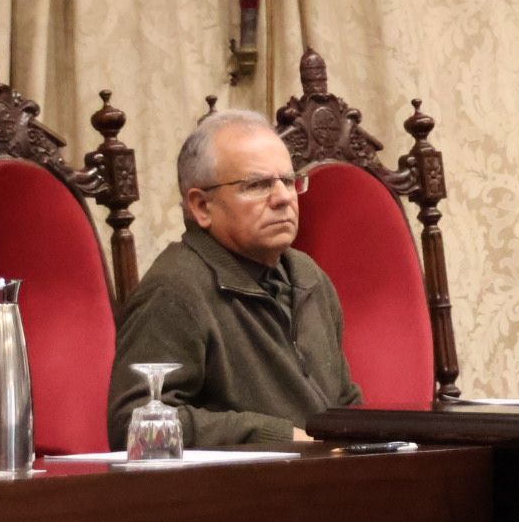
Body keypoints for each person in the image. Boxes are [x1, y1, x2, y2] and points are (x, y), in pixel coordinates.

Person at [107, 110, 361, 448]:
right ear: (201, 206)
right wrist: (274, 436)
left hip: (325, 484)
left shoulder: (308, 276)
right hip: (244, 494)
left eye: (287, 181)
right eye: (257, 185)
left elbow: (345, 403)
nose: (284, 198)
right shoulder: (174, 290)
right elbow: (134, 424)